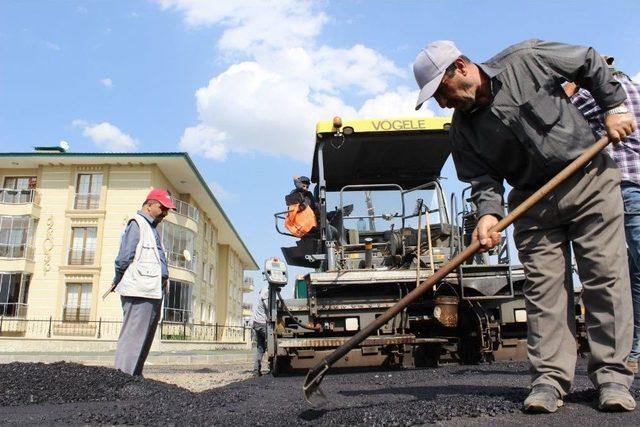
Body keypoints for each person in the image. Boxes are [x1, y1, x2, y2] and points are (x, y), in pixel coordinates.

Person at [413, 39, 637, 413]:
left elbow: (587, 61)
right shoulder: (462, 130)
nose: (441, 103)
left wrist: (613, 107)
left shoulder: (527, 59)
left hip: (588, 180)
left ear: (462, 68)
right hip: (532, 204)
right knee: (544, 291)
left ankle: (612, 377)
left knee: (605, 279)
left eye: (440, 91)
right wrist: (487, 214)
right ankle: (549, 381)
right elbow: (483, 180)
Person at [564, 57, 640, 374]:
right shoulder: (634, 88)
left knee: (617, 270)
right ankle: (632, 350)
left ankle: (631, 351)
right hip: (630, 184)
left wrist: (571, 84)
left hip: (622, 184)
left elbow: (556, 115)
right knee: (633, 269)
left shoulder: (590, 94)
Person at [111, 188, 175, 376]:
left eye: (167, 209)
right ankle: (122, 378)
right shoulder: (137, 224)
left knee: (144, 338)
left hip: (152, 291)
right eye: (162, 208)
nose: (165, 213)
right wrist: (118, 279)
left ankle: (135, 378)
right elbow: (124, 257)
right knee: (133, 337)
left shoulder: (152, 229)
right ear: (149, 205)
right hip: (139, 291)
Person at [251, 286, 269, 377]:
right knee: (272, 345)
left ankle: (256, 371)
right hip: (262, 324)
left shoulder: (261, 291)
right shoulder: (265, 292)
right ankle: (273, 367)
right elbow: (269, 308)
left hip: (256, 323)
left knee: (260, 348)